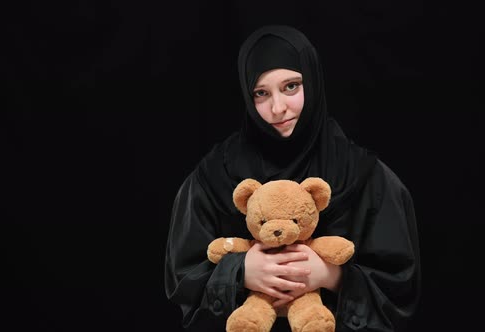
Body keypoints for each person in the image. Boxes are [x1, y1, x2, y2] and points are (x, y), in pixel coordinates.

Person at [165, 25, 421, 331]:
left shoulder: (366, 175)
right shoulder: (213, 176)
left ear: (312, 83)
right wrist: (240, 271)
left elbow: (402, 286)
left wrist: (331, 276)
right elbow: (181, 281)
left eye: (291, 87)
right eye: (261, 93)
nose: (277, 107)